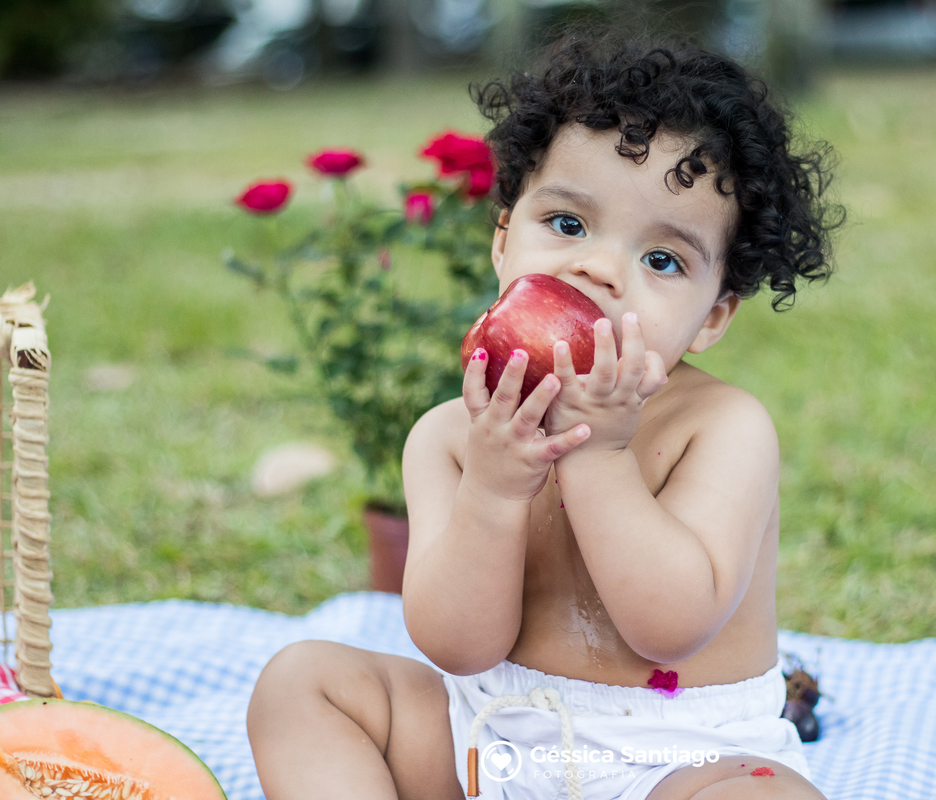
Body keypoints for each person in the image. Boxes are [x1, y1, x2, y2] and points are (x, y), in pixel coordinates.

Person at [247, 30, 840, 800]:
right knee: (304, 682)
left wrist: (597, 458)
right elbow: (458, 647)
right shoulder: (451, 437)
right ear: (503, 242)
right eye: (567, 225)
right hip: (487, 742)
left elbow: (670, 625)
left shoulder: (721, 428)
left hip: (678, 760)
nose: (597, 267)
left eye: (662, 260)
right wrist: (493, 492)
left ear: (715, 316)